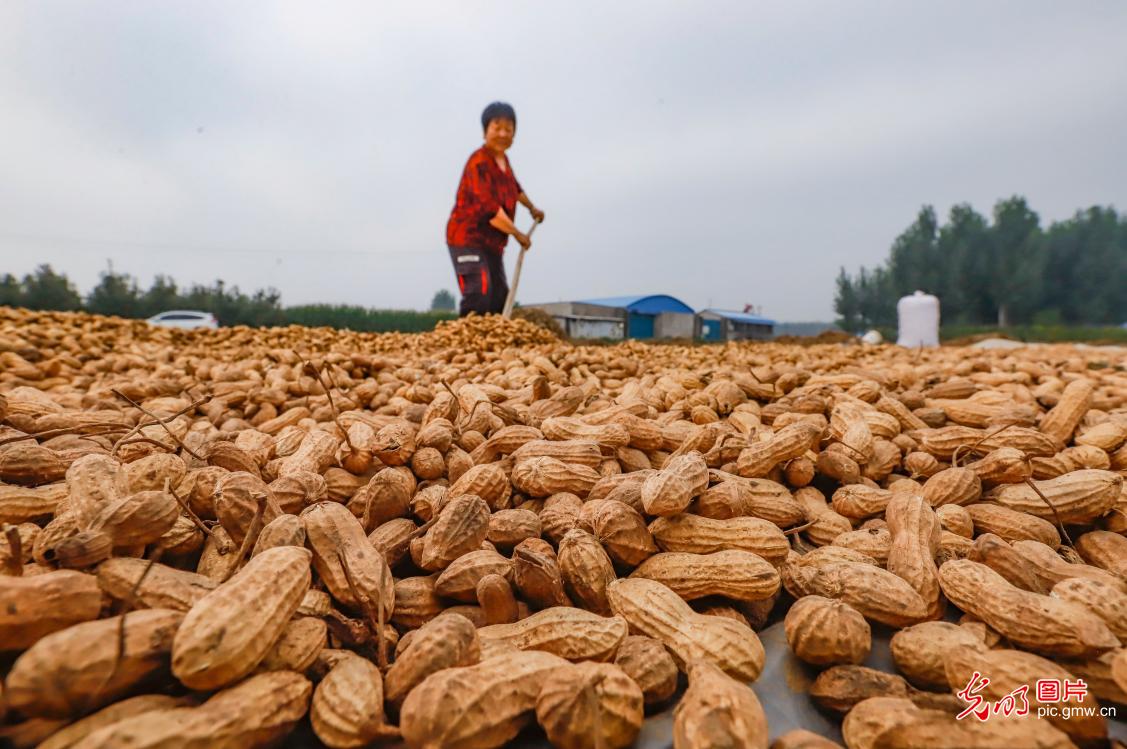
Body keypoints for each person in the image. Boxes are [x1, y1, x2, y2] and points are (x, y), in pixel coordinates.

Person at [446, 102, 545, 316]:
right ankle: (467, 339)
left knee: (499, 296)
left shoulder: (503, 161)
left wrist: (532, 208)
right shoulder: (478, 163)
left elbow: (515, 189)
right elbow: (489, 210)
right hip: (468, 239)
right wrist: (518, 234)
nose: (502, 134)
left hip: (492, 243)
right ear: (485, 131)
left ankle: (492, 345)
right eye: (497, 128)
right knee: (478, 293)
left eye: (508, 130)